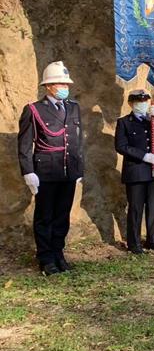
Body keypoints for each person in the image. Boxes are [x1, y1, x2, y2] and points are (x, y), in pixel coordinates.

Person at [17, 61, 85, 275]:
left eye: (66, 83)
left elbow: (76, 140)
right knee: (44, 216)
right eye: (59, 83)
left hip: (67, 171)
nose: (64, 87)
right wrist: (28, 172)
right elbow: (25, 144)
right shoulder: (34, 110)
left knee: (62, 215)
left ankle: (58, 253)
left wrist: (78, 169)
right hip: (45, 173)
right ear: (48, 86)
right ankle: (46, 258)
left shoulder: (73, 107)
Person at [114, 89, 154, 255]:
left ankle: (153, 240)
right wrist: (144, 156)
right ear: (131, 104)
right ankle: (134, 243)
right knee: (135, 208)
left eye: (145, 101)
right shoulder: (124, 122)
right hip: (136, 171)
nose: (142, 104)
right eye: (138, 102)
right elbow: (121, 146)